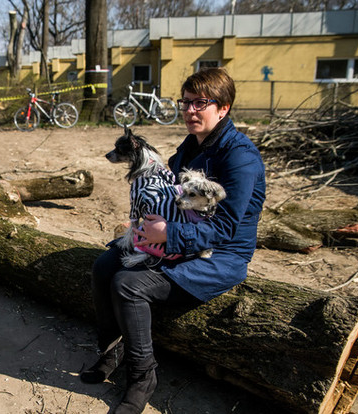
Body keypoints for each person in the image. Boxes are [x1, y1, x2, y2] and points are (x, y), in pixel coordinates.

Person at [81, 68, 266, 414]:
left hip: (218, 255)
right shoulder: (191, 146)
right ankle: (112, 350)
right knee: (105, 266)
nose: (190, 111)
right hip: (178, 240)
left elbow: (225, 228)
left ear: (223, 108)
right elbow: (169, 193)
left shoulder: (239, 157)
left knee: (128, 284)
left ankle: (143, 377)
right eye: (185, 103)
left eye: (200, 103)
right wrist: (145, 221)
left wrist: (167, 234)